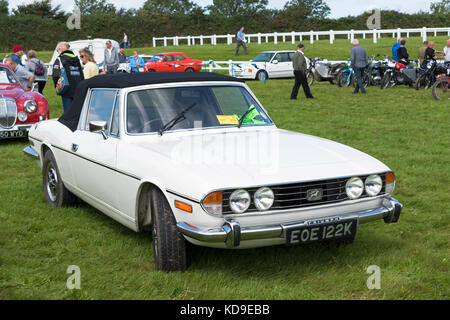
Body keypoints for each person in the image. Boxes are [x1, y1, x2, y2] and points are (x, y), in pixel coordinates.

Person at [52, 42, 84, 112]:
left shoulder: (59, 59)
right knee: (77, 111)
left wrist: (57, 86)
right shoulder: (76, 59)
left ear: (60, 50)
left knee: (68, 112)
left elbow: (55, 75)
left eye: (57, 50)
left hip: (66, 89)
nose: (58, 52)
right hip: (78, 88)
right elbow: (81, 75)